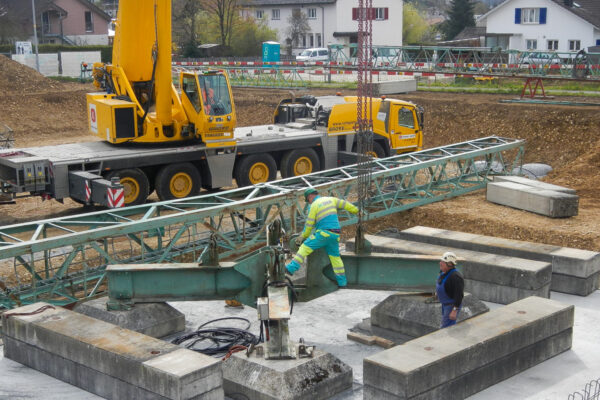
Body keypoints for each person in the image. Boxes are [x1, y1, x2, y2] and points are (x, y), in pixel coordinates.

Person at [285, 188, 358, 287]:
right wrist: (357, 211)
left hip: (323, 233)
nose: (309, 203)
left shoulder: (314, 206)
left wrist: (302, 237)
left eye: (308, 200)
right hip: (335, 234)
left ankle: (291, 268)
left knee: (305, 247)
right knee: (335, 258)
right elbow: (346, 205)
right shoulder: (331, 199)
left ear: (310, 196)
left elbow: (309, 224)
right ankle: (342, 282)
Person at [436, 251, 464, 328]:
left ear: (450, 264)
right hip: (444, 304)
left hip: (451, 306)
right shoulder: (443, 272)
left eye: (443, 262)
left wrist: (454, 310)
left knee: (446, 327)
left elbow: (459, 295)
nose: (440, 263)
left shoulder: (456, 277)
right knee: (445, 325)